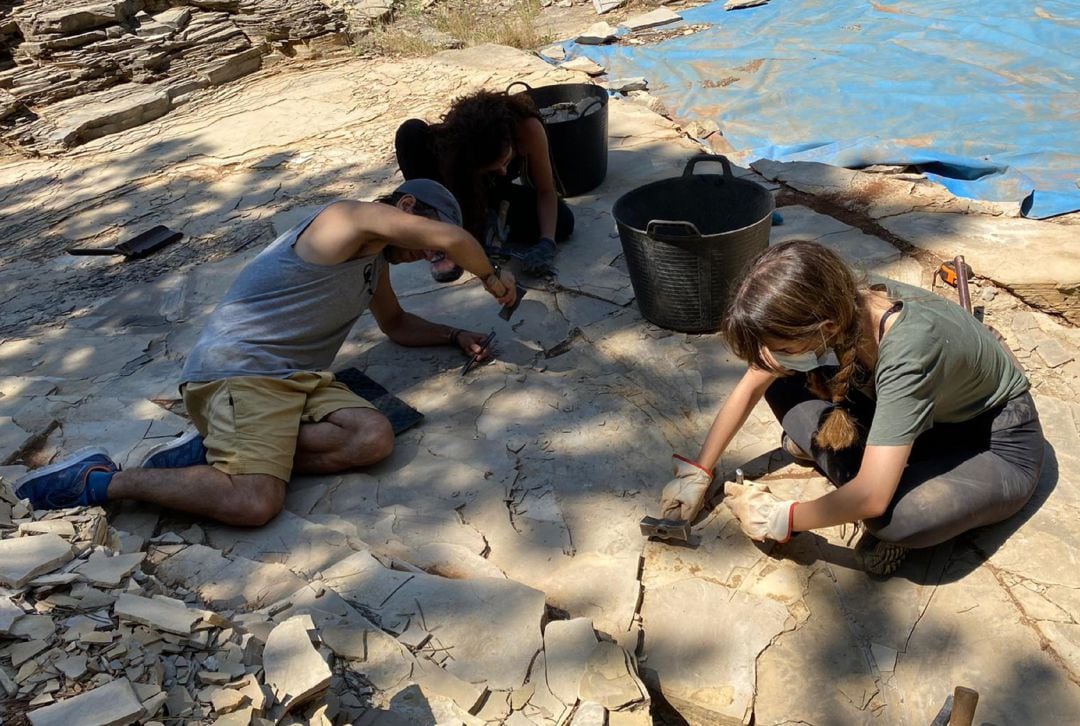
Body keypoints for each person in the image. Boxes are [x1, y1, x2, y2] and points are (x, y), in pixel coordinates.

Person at [16, 179, 518, 527]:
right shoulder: (343, 220)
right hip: (238, 371)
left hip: (297, 379)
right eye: (426, 241)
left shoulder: (371, 266)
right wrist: (491, 278)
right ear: (406, 208)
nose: (430, 254)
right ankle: (101, 481)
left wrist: (455, 335)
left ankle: (212, 450)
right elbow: (452, 237)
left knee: (373, 438)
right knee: (255, 504)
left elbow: (399, 325)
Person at [658, 240, 1043, 576]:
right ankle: (878, 469)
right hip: (920, 413)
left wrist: (781, 518)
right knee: (781, 379)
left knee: (891, 516)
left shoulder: (908, 350)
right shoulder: (841, 299)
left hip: (991, 441)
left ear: (823, 328)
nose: (772, 355)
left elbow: (871, 497)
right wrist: (699, 470)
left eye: (784, 344)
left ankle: (877, 478)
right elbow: (755, 379)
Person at [395, 89, 574, 279]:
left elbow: (546, 190)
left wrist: (547, 242)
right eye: (494, 167)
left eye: (506, 162)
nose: (504, 171)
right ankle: (435, 231)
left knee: (562, 222)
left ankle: (488, 222)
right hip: (455, 192)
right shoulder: (454, 148)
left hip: (495, 193)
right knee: (411, 131)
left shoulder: (527, 128)